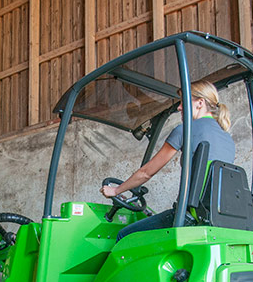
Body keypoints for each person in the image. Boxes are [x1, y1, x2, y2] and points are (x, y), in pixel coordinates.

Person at [101, 80, 235, 241]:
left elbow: (146, 173)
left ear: (200, 103)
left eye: (183, 102)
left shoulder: (185, 130)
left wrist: (116, 191)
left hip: (189, 218)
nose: (179, 107)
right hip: (216, 221)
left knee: (125, 236)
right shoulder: (228, 140)